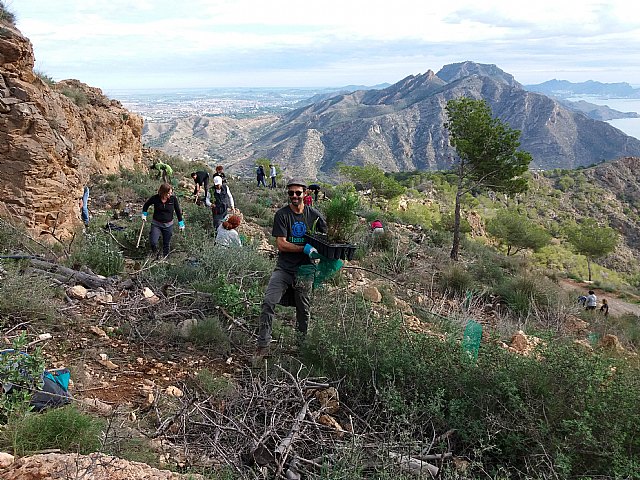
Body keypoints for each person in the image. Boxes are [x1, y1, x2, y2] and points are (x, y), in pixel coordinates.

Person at [255, 179, 327, 357]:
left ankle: (301, 347)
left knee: (304, 310)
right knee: (268, 302)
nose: (294, 196)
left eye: (298, 193)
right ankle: (263, 346)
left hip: (305, 270)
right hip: (284, 268)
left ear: (305, 194)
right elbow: (281, 244)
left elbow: (327, 235)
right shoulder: (282, 215)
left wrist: (326, 250)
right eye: (291, 193)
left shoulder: (314, 215)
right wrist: (304, 248)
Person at [142, 183, 184, 258]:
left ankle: (165, 259)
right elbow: (146, 205)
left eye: (171, 193)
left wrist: (181, 223)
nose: (170, 195)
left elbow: (178, 211)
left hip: (168, 225)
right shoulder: (155, 198)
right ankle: (156, 254)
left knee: (166, 244)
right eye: (168, 193)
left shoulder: (173, 199)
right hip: (156, 224)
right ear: (163, 192)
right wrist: (144, 214)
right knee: (153, 242)